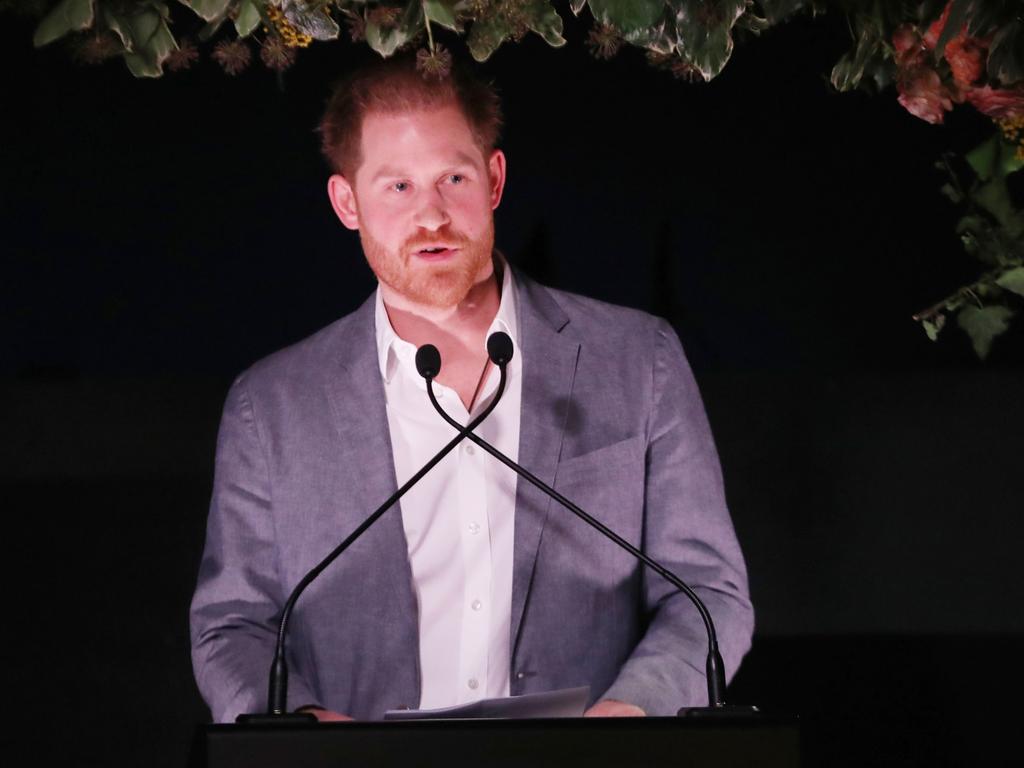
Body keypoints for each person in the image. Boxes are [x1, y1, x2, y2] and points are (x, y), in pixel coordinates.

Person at [190, 52, 753, 723]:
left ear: (493, 180)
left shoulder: (638, 361)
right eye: (397, 187)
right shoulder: (272, 406)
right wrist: (306, 732)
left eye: (452, 178)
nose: (431, 215)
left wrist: (626, 720)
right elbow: (233, 622)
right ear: (347, 202)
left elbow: (708, 592)